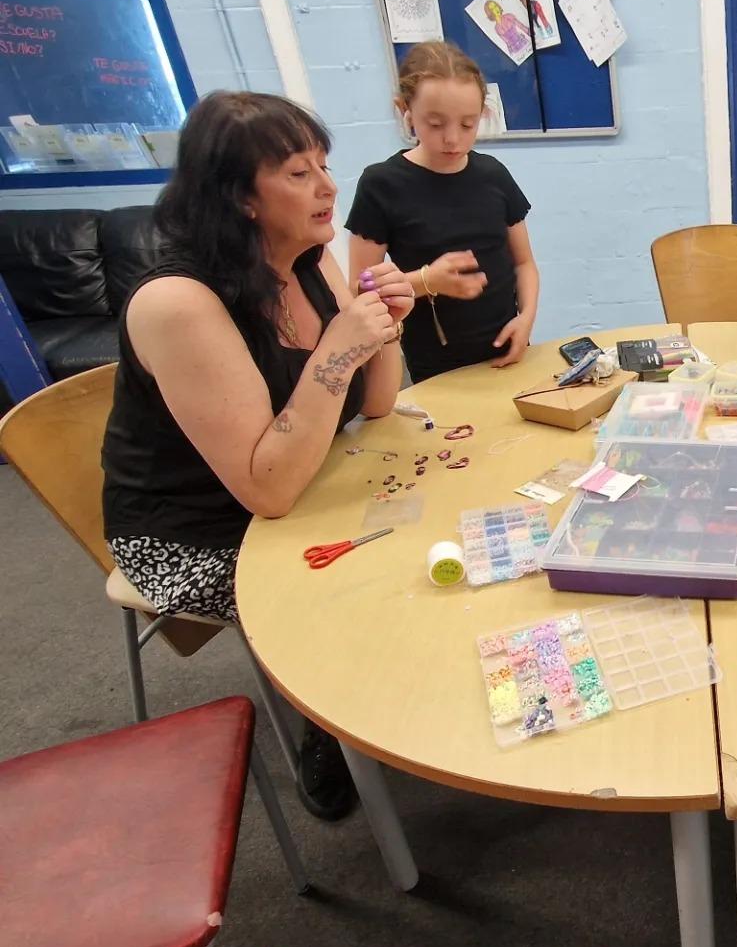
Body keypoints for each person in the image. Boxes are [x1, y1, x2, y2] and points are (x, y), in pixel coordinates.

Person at [102, 91, 413, 822]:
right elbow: (265, 491)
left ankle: (370, 699)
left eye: (325, 166)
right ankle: (325, 733)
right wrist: (342, 344)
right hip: (192, 532)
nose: (329, 187)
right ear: (241, 198)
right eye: (299, 174)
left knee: (421, 533)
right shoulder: (178, 302)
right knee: (362, 580)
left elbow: (376, 406)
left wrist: (385, 327)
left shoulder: (308, 258)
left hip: (297, 480)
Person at [347, 41, 539, 383]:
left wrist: (525, 320)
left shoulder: (493, 174)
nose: (453, 139)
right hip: (435, 368)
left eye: (468, 125)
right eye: (435, 124)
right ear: (404, 109)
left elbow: (524, 263)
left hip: (508, 354)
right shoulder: (381, 184)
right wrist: (425, 281)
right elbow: (360, 291)